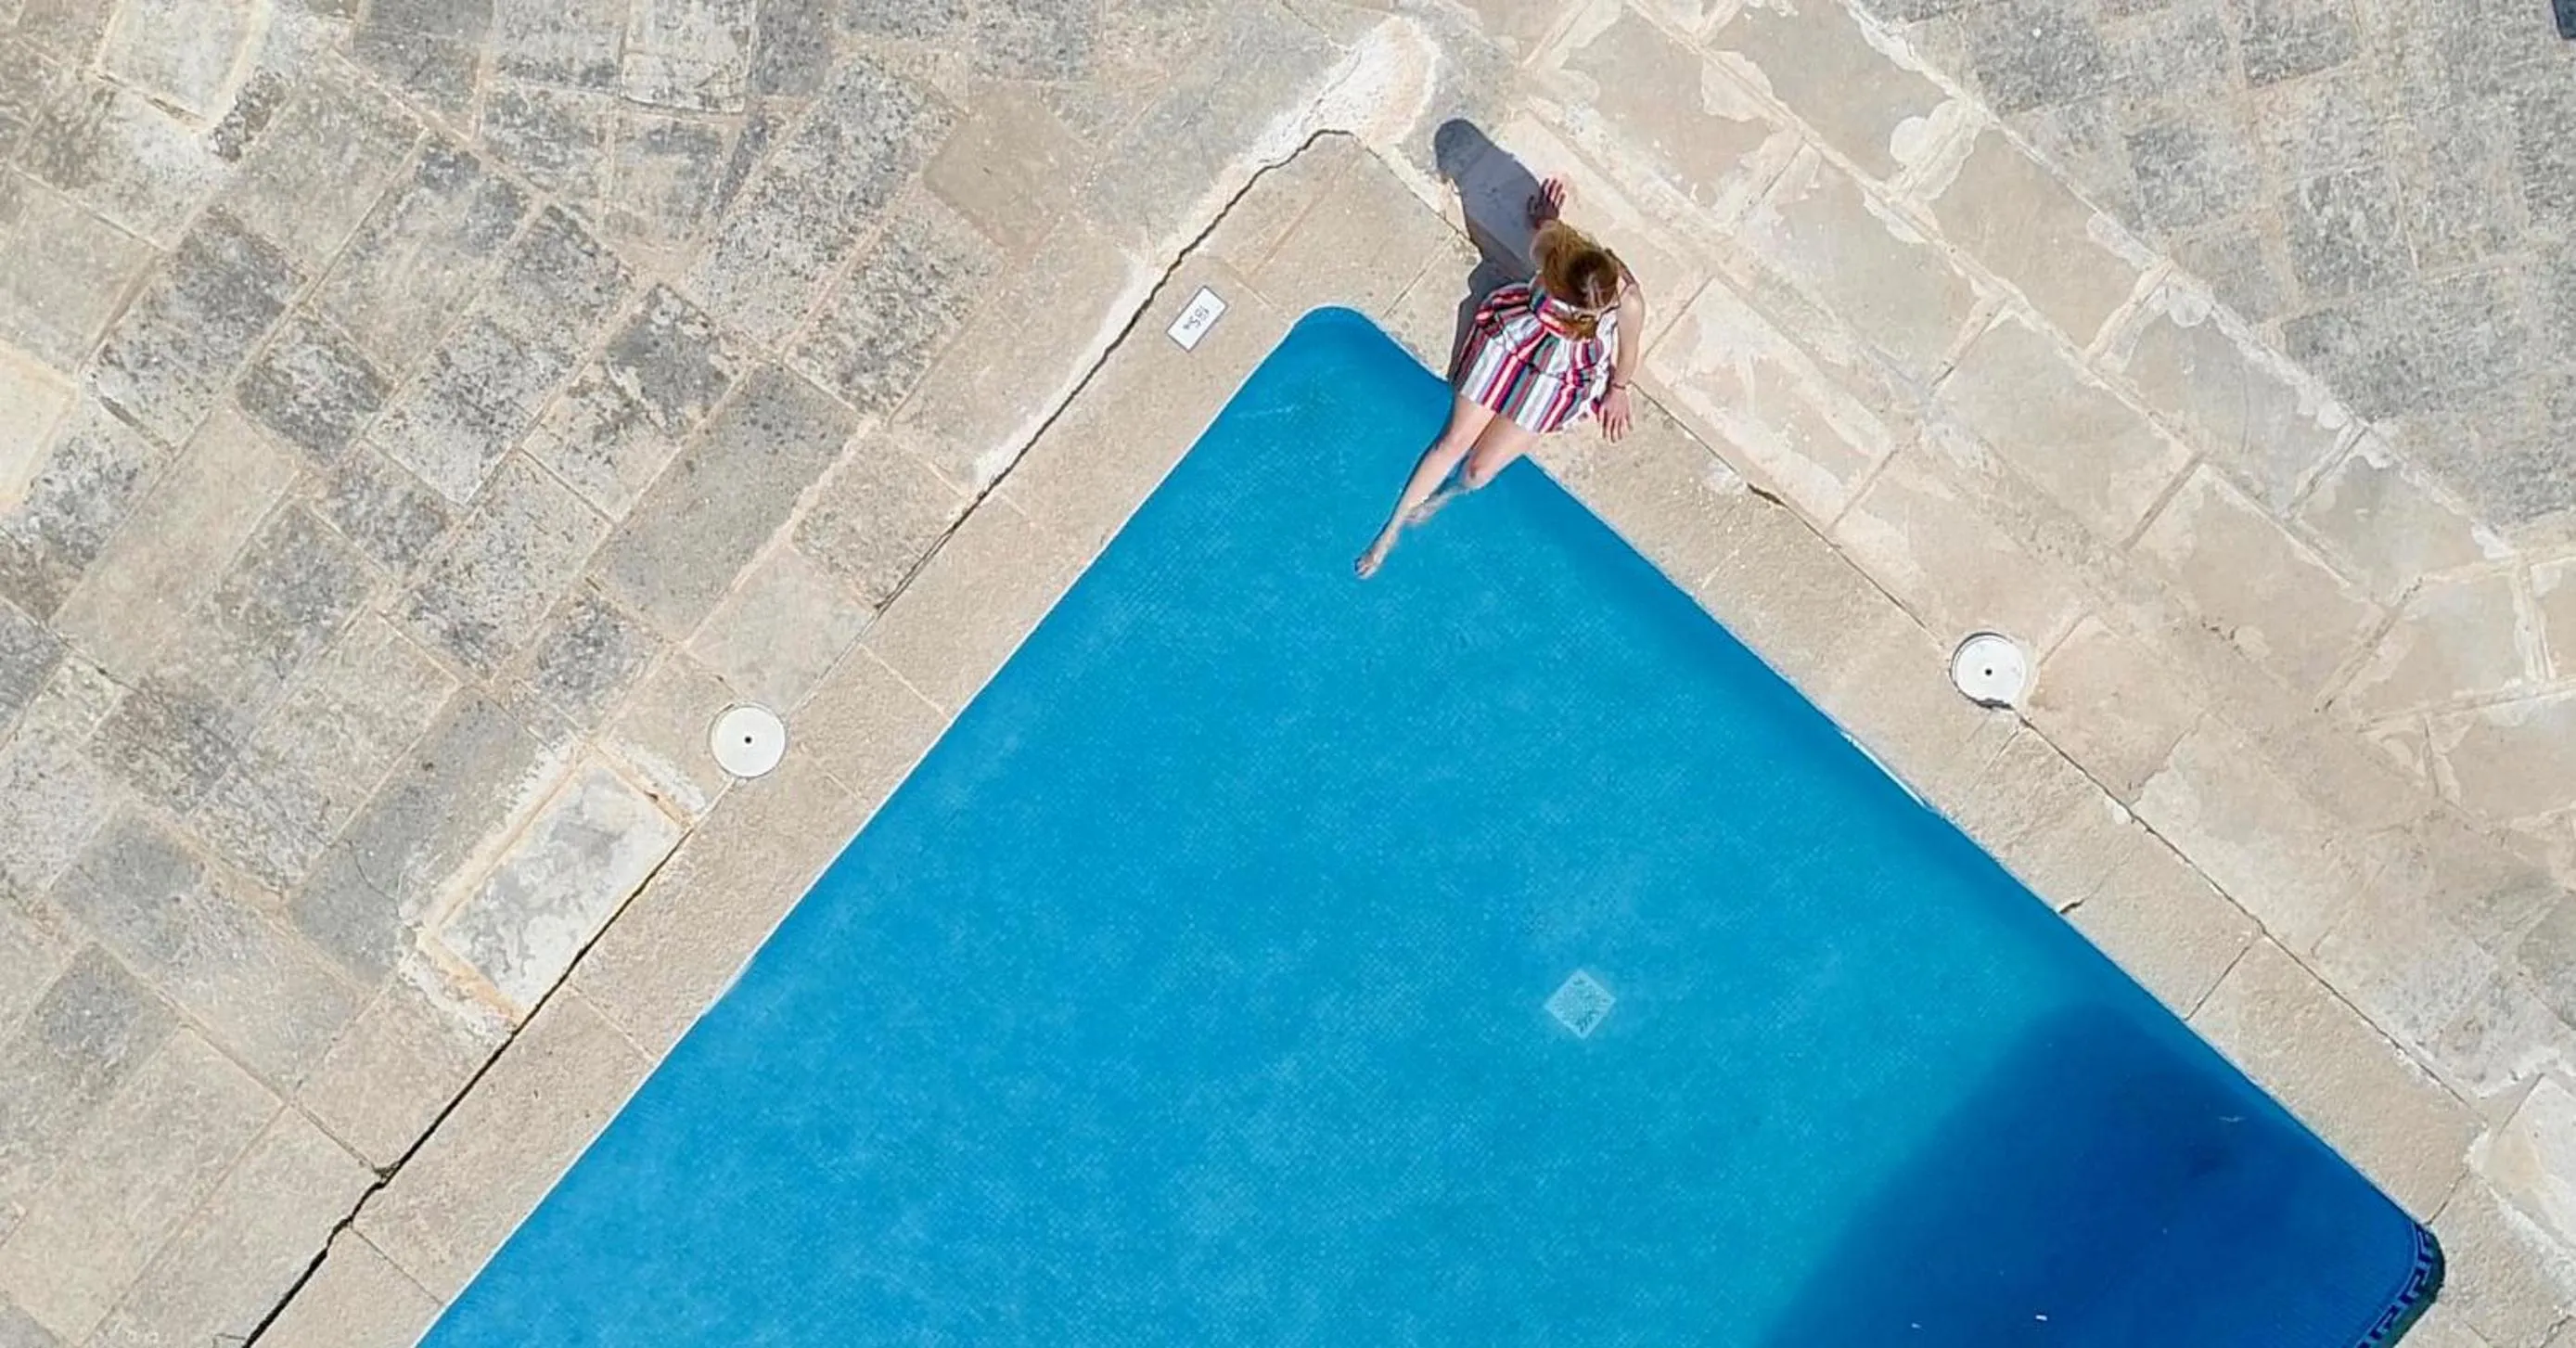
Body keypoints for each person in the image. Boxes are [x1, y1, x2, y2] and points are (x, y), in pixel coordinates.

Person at [1354, 176, 1644, 579]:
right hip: (1515, 342)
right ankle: (1390, 531)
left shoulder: (1626, 301)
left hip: (1560, 372)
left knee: (1477, 473)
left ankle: (1444, 497)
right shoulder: (1556, 255)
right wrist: (1548, 219)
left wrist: (1618, 388)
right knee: (1453, 442)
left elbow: (1627, 352)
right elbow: (1549, 233)